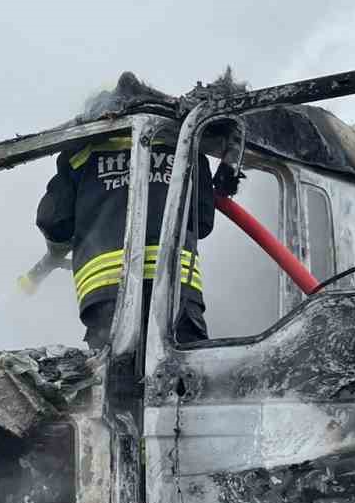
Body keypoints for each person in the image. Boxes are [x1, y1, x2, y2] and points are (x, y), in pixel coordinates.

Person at [35, 75, 221, 350]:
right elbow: (202, 221)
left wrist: (55, 251)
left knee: (114, 381)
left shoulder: (80, 150)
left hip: (106, 290)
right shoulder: (184, 142)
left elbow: (54, 222)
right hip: (176, 288)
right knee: (182, 377)